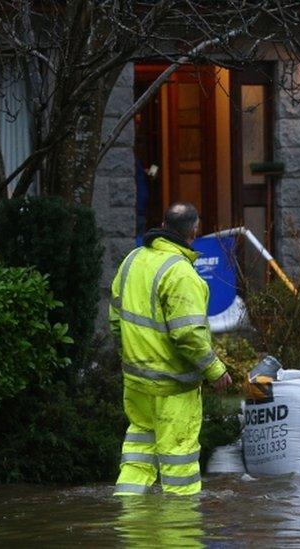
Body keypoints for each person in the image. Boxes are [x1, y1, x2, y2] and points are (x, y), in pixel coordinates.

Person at [109, 202, 232, 496]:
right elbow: (188, 334)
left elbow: (116, 320)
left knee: (139, 449)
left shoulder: (132, 260)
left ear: (163, 225)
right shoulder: (181, 274)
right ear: (194, 231)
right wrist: (215, 370)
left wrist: (131, 357)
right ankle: (180, 526)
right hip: (173, 386)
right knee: (180, 459)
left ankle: (129, 515)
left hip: (137, 383)